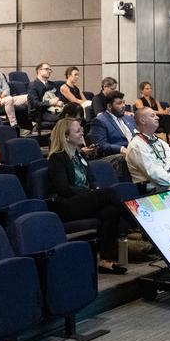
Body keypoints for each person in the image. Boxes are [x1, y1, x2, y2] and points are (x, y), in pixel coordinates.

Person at [46, 117, 129, 274]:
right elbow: (64, 189)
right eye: (78, 131)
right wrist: (90, 193)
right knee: (110, 193)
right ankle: (137, 223)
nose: (82, 133)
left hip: (83, 201)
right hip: (67, 205)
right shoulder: (57, 158)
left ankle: (105, 261)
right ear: (66, 136)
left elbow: (91, 181)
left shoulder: (80, 156)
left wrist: (93, 191)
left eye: (81, 129)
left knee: (111, 211)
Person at [125, 107, 170, 191]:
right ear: (142, 121)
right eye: (153, 116)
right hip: (152, 190)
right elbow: (153, 173)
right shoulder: (136, 145)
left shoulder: (160, 142)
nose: (157, 117)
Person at [87, 92, 136, 160]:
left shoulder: (129, 118)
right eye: (119, 103)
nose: (123, 106)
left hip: (135, 151)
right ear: (109, 106)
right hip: (118, 156)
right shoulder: (99, 121)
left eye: (124, 102)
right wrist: (120, 149)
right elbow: (100, 145)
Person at [134, 81, 170, 147]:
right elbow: (144, 112)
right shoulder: (139, 101)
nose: (150, 90)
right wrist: (163, 112)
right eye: (147, 89)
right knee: (168, 118)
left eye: (150, 88)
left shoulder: (154, 100)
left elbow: (161, 111)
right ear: (142, 90)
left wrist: (166, 111)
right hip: (147, 120)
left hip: (157, 119)